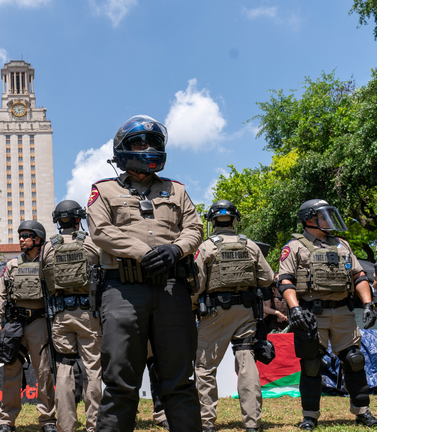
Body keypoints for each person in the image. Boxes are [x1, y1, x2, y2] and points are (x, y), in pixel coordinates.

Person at [86, 115, 204, 431]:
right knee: (119, 381)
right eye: (140, 142)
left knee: (180, 379)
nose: (148, 148)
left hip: (172, 290)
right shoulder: (104, 190)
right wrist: (145, 252)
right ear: (123, 149)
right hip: (123, 293)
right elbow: (100, 230)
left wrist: (175, 250)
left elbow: (195, 226)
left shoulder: (176, 190)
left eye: (154, 142)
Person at [277, 199, 377, 430]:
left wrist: (369, 305)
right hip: (312, 313)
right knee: (312, 364)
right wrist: (295, 309)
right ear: (310, 219)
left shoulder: (342, 245)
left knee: (354, 360)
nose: (329, 220)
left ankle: (362, 411)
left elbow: (359, 277)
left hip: (343, 311)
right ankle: (310, 416)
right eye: (324, 216)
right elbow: (285, 281)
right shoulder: (294, 247)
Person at [192, 200, 274, 432]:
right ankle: (252, 423)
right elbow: (267, 278)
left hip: (215, 313)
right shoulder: (249, 245)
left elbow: (197, 284)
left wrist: (191, 307)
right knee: (247, 365)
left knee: (205, 367)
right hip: (246, 313)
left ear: (212, 221)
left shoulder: (206, 247)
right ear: (235, 220)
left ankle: (207, 423)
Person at [42, 200, 102, 432]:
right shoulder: (91, 245)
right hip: (89, 315)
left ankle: (66, 426)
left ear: (58, 220)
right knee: (92, 368)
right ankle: (94, 425)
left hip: (60, 316)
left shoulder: (48, 248)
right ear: (79, 218)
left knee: (64, 368)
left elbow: (42, 280)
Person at [0, 220, 57, 432]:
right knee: (11, 371)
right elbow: (1, 296)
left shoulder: (47, 263)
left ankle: (47, 420)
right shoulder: (11, 265)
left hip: (39, 323)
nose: (21, 239)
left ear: (38, 239)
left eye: (25, 236)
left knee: (44, 373)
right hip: (14, 325)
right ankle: (6, 421)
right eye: (20, 236)